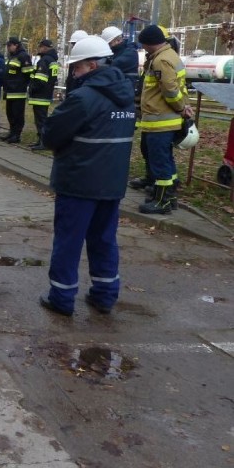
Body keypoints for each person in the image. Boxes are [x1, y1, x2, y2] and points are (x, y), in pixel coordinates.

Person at [39, 35, 136, 317]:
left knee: (68, 242)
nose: (75, 73)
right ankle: (105, 295)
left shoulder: (83, 98)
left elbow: (51, 134)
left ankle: (62, 297)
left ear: (92, 65)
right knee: (104, 240)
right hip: (112, 183)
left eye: (77, 68)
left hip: (79, 182)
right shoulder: (126, 96)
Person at [135, 24, 192, 214]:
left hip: (161, 121)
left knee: (159, 163)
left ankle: (162, 202)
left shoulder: (161, 61)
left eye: (144, 45)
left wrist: (181, 107)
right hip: (166, 120)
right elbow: (179, 88)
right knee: (166, 160)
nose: (143, 48)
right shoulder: (171, 56)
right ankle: (170, 197)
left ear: (150, 43)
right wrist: (184, 107)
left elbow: (170, 91)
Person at [27, 39, 59, 150]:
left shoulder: (44, 61)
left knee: (41, 120)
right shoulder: (53, 60)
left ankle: (43, 142)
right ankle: (41, 140)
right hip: (46, 94)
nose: (39, 48)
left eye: (40, 46)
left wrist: (32, 88)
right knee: (42, 119)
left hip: (39, 95)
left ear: (45, 47)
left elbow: (40, 79)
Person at [1, 37, 32, 143]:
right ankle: (12, 133)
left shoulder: (23, 56)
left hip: (18, 91)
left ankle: (17, 135)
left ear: (16, 45)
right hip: (9, 91)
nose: (8, 48)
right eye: (7, 46)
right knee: (10, 114)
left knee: (17, 114)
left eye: (9, 46)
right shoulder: (12, 56)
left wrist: (20, 84)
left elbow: (28, 74)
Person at [101, 26, 139, 92]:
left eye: (109, 44)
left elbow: (112, 66)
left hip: (126, 90)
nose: (108, 46)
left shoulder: (130, 53)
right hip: (119, 87)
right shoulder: (118, 51)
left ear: (118, 40)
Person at [63, 30, 88, 96]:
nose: (73, 46)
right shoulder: (74, 58)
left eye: (75, 44)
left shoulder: (87, 59)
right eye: (73, 44)